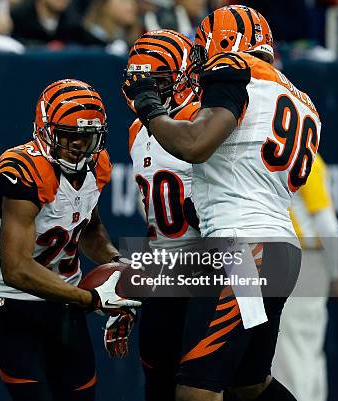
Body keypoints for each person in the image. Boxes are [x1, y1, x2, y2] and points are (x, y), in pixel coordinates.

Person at [123, 5, 320, 401]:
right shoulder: (301, 99)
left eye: (202, 48)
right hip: (280, 247)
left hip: (240, 249)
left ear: (227, 43)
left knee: (197, 389)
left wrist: (150, 108)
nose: (199, 60)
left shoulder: (233, 67)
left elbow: (195, 144)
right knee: (249, 383)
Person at [0, 78, 140, 401]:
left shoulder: (98, 166)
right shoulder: (24, 169)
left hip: (66, 306)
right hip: (14, 306)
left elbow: (88, 229)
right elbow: (16, 269)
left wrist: (116, 271)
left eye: (87, 137)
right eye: (70, 137)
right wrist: (92, 299)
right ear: (46, 131)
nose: (80, 147)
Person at [123, 29, 201, 401]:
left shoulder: (205, 119)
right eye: (140, 83)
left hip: (211, 267)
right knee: (157, 384)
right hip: (165, 272)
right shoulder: (137, 131)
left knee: (219, 384)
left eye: (157, 83)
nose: (146, 94)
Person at [272, 154, 338, 401]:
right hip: (309, 262)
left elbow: (328, 226)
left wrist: (335, 273)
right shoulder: (305, 156)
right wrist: (333, 272)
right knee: (308, 351)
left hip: (296, 260)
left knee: (290, 353)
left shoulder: (300, 158)